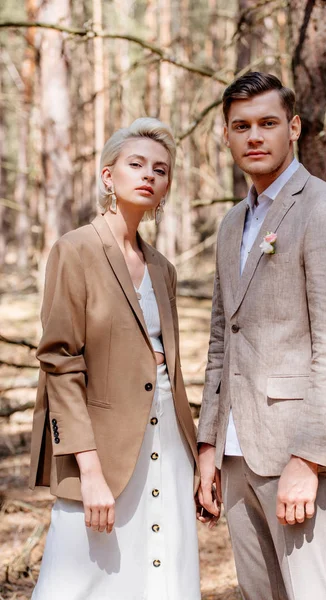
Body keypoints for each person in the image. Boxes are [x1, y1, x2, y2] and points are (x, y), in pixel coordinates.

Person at [197, 72, 326, 600]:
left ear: (293, 128)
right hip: (235, 453)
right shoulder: (231, 225)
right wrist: (208, 443)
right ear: (226, 135)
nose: (254, 136)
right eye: (241, 126)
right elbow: (222, 341)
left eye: (268, 123)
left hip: (296, 453)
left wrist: (308, 460)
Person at [29, 118, 201, 600]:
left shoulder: (162, 268)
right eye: (136, 164)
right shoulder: (76, 250)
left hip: (167, 440)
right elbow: (59, 361)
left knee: (160, 574)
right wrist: (89, 470)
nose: (149, 174)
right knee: (81, 578)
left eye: (160, 169)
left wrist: (195, 458)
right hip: (100, 450)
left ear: (166, 186)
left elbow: (169, 371)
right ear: (109, 176)